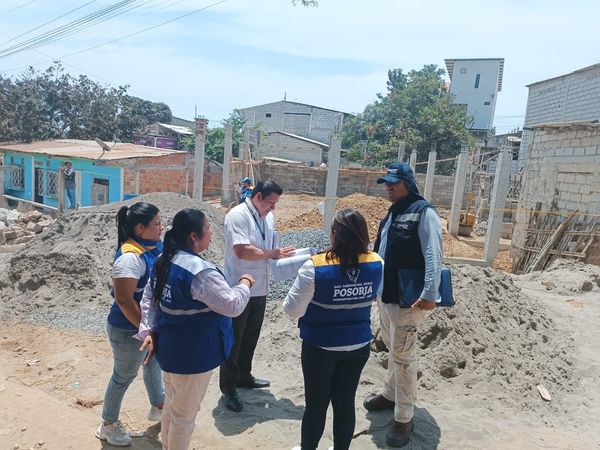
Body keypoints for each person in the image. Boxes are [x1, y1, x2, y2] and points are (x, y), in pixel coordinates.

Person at [136, 208, 254, 450]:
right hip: (193, 356)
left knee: (173, 406)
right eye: (208, 228)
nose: (211, 232)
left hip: (170, 350)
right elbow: (232, 305)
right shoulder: (200, 273)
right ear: (193, 236)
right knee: (184, 416)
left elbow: (150, 297)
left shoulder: (164, 259)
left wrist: (148, 329)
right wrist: (245, 284)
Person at [283, 208, 383, 450]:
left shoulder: (314, 266)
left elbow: (292, 310)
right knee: (345, 402)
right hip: (358, 346)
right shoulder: (377, 262)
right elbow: (378, 297)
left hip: (321, 346)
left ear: (335, 235)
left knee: (316, 405)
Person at [363, 162, 443, 448]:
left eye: (393, 183)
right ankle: (390, 394)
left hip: (409, 300)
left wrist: (430, 292)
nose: (388, 187)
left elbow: (433, 254)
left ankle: (404, 417)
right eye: (386, 182)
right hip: (387, 295)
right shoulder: (393, 212)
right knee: (393, 348)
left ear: (407, 183)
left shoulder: (424, 212)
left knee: (404, 357)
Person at [220, 179, 295, 412]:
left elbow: (269, 245)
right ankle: (228, 388)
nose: (273, 207)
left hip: (260, 287)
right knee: (234, 340)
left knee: (250, 337)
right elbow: (241, 250)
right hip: (238, 287)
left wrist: (278, 257)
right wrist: (272, 253)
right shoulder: (238, 216)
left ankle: (244, 376)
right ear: (259, 196)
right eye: (271, 202)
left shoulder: (268, 218)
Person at [96, 202, 166, 447]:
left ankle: (159, 406)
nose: (161, 227)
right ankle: (108, 424)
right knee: (123, 376)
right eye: (157, 223)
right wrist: (145, 329)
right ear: (139, 228)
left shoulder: (153, 246)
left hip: (147, 326)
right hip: (128, 329)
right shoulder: (130, 258)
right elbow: (124, 300)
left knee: (153, 363)